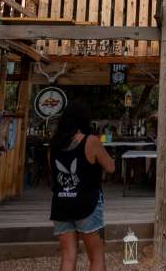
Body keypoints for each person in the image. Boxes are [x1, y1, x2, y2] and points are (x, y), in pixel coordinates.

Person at [50, 103, 115, 271]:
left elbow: (53, 172)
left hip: (61, 203)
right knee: (96, 257)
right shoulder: (91, 141)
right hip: (87, 203)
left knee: (68, 256)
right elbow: (111, 167)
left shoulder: (54, 145)